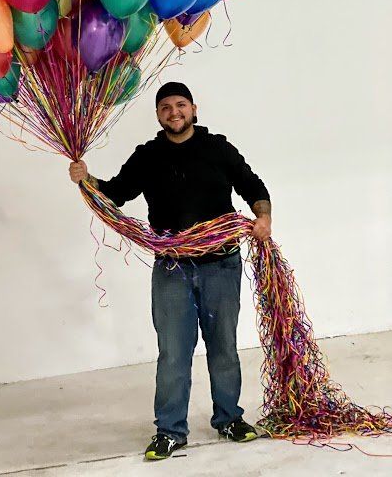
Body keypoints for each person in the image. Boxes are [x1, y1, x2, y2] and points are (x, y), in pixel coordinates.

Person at [68, 81, 272, 461]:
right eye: (165, 107)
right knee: (173, 352)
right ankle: (170, 431)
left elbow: (251, 184)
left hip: (221, 264)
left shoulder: (217, 148)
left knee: (223, 347)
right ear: (159, 115)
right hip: (172, 268)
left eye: (180, 105)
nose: (174, 112)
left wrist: (263, 217)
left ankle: (230, 419)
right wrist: (86, 180)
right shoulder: (148, 156)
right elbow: (115, 193)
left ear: (194, 109)